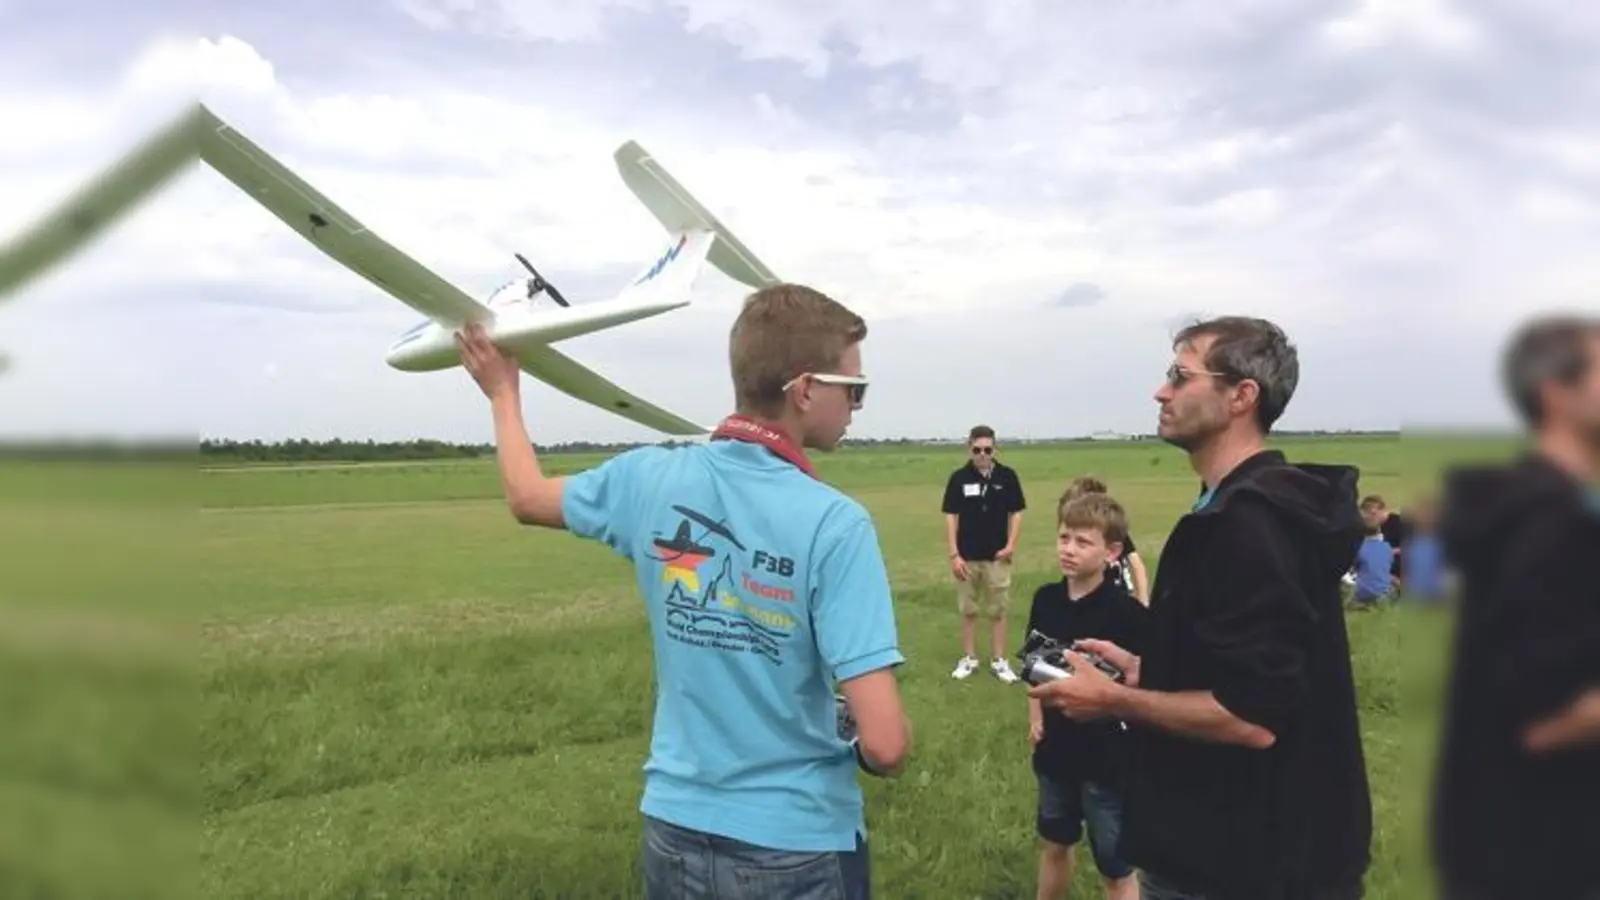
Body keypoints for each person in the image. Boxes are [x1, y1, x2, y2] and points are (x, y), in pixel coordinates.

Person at [455, 283, 913, 900]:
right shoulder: (838, 525)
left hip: (675, 830)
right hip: (797, 846)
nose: (857, 405)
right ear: (805, 390)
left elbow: (528, 497)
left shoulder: (650, 477)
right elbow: (885, 746)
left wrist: (503, 393)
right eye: (852, 388)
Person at [1029, 316, 1373, 900]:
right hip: (1236, 846)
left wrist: (1114, 698)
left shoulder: (1252, 522)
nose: (1160, 392)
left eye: (1180, 376)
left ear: (1242, 396)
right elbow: (1259, 666)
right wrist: (1154, 669)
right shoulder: (1231, 507)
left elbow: (1253, 716)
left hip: (1251, 865)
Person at [1430, 314, 1600, 900]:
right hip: (1539, 858)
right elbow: (1545, 722)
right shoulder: (1552, 525)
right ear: (1556, 394)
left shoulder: (1529, 509)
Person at [1025, 492, 1148, 900]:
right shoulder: (1045, 599)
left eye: (1083, 542)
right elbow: (1033, 667)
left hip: (1107, 759)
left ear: (1112, 551)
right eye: (1064, 538)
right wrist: (1036, 719)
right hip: (1056, 751)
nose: (1069, 550)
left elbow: (1142, 687)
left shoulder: (1126, 613)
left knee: (1115, 865)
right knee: (1055, 844)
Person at [942, 424, 1026, 682]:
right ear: (969, 448)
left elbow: (1017, 511)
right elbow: (950, 516)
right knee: (968, 609)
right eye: (977, 449)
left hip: (997, 557)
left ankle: (999, 660)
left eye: (987, 450)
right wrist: (954, 554)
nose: (982, 455)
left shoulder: (1007, 476)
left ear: (994, 449)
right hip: (967, 557)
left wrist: (1011, 545)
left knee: (998, 609)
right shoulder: (959, 478)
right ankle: (969, 658)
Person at [1056, 476, 1151, 604]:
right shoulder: (1046, 598)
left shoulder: (1111, 535)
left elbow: (1137, 565)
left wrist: (1143, 601)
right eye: (1064, 538)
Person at [1349, 496, 1399, 609]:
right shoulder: (1385, 547)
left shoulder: (1358, 548)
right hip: (1386, 588)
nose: (1369, 517)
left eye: (1373, 513)